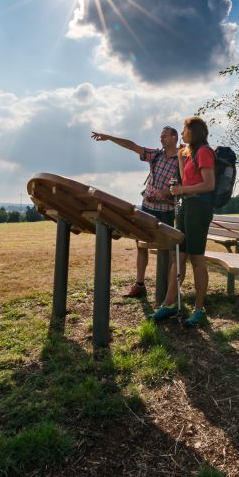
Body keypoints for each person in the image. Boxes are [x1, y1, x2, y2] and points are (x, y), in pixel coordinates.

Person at [91, 126, 181, 297]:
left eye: (164, 136)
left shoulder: (182, 159)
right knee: (141, 245)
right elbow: (133, 146)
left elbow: (185, 186)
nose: (161, 139)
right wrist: (109, 137)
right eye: (160, 136)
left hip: (166, 210)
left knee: (169, 249)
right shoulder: (156, 155)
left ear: (174, 138)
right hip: (147, 207)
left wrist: (167, 192)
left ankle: (170, 290)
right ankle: (140, 285)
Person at [152, 117, 215, 327]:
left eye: (184, 129)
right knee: (178, 257)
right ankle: (169, 304)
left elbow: (209, 184)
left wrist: (181, 191)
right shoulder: (191, 153)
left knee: (196, 258)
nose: (182, 133)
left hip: (199, 208)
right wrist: (180, 158)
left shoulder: (205, 151)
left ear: (193, 132)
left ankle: (199, 309)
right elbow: (185, 179)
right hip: (187, 206)